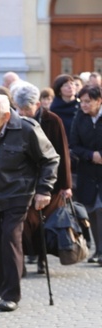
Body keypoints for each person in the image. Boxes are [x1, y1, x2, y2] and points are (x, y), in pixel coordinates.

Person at [0, 93, 59, 312]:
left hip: (17, 195)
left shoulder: (27, 130)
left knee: (10, 240)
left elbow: (50, 159)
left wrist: (44, 190)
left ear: (6, 116)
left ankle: (11, 294)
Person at [13, 82, 72, 273]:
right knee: (25, 222)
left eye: (26, 108)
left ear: (37, 105)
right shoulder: (14, 119)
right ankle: (21, 260)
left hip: (50, 181)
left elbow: (62, 153)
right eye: (19, 108)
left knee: (44, 222)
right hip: (23, 181)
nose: (22, 112)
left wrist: (66, 185)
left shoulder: (52, 120)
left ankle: (42, 258)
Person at [69, 84, 102, 263]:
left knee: (100, 208)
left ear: (99, 101)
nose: (84, 105)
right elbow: (74, 144)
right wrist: (91, 155)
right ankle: (98, 250)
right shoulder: (79, 118)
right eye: (82, 101)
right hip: (87, 171)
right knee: (91, 211)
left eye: (88, 101)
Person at [50, 74, 80, 143]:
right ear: (59, 90)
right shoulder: (55, 108)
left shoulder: (81, 105)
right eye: (66, 85)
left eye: (72, 84)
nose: (70, 87)